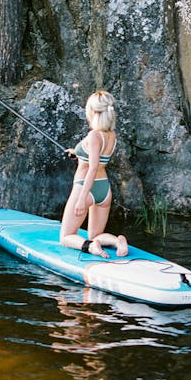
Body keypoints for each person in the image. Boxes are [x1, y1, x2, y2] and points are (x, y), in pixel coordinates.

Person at [60, 90, 128, 258]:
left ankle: (90, 247)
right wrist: (77, 152)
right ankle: (117, 241)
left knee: (66, 237)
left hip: (86, 186)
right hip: (104, 189)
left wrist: (82, 198)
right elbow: (97, 157)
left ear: (92, 112)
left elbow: (92, 167)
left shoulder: (94, 135)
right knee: (95, 234)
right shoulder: (111, 135)